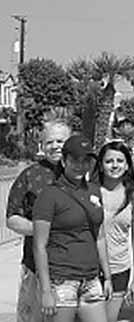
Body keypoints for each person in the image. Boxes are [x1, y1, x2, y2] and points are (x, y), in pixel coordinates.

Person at [32, 134, 112, 322]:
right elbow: (39, 246)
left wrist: (107, 276)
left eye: (86, 161)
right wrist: (46, 291)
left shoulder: (94, 190)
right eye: (75, 160)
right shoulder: (50, 195)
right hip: (61, 280)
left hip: (91, 279)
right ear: (64, 161)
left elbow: (99, 236)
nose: (80, 166)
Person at [6, 119, 71, 322]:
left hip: (74, 267)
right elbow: (12, 218)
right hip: (35, 266)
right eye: (50, 142)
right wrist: (42, 229)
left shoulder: (82, 174)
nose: (55, 146)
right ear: (42, 145)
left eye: (60, 141)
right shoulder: (29, 175)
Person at [94, 140, 134, 322]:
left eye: (120, 161)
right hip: (90, 269)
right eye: (109, 161)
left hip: (119, 269)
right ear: (101, 165)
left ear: (127, 165)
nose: (114, 165)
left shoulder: (133, 197)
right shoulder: (91, 192)